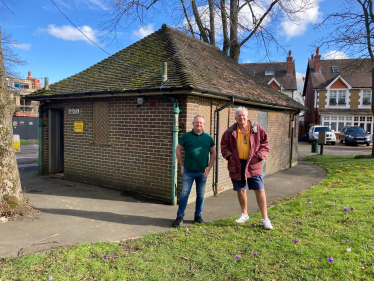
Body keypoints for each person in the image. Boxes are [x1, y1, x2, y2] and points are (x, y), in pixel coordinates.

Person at [221, 106, 273, 229]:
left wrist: (259, 156)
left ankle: (265, 219)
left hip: (253, 164)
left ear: (247, 116)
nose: (241, 117)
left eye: (243, 115)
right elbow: (224, 146)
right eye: (239, 116)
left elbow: (265, 144)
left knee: (259, 189)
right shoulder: (229, 132)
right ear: (235, 118)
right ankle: (244, 214)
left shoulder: (257, 129)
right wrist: (230, 157)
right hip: (237, 164)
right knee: (241, 189)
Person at [172, 115, 216, 227]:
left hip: (202, 172)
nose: (199, 124)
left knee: (201, 195)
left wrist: (209, 167)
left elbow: (214, 153)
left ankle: (198, 216)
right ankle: (180, 217)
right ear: (193, 123)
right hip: (188, 171)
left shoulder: (208, 137)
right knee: (184, 194)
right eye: (197, 122)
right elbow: (178, 149)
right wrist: (181, 165)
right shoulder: (186, 136)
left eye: (201, 123)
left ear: (204, 124)